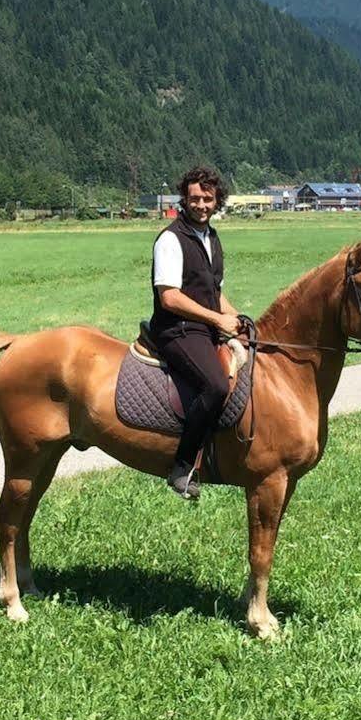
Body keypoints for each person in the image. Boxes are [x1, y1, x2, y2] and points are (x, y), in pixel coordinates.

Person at [149, 165, 244, 501]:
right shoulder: (171, 240)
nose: (201, 204)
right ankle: (182, 465)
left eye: (207, 198)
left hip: (203, 326)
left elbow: (213, 291)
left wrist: (236, 316)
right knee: (216, 384)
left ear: (217, 201)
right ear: (184, 200)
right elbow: (170, 297)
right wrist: (218, 321)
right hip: (177, 330)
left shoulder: (211, 238)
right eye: (194, 198)